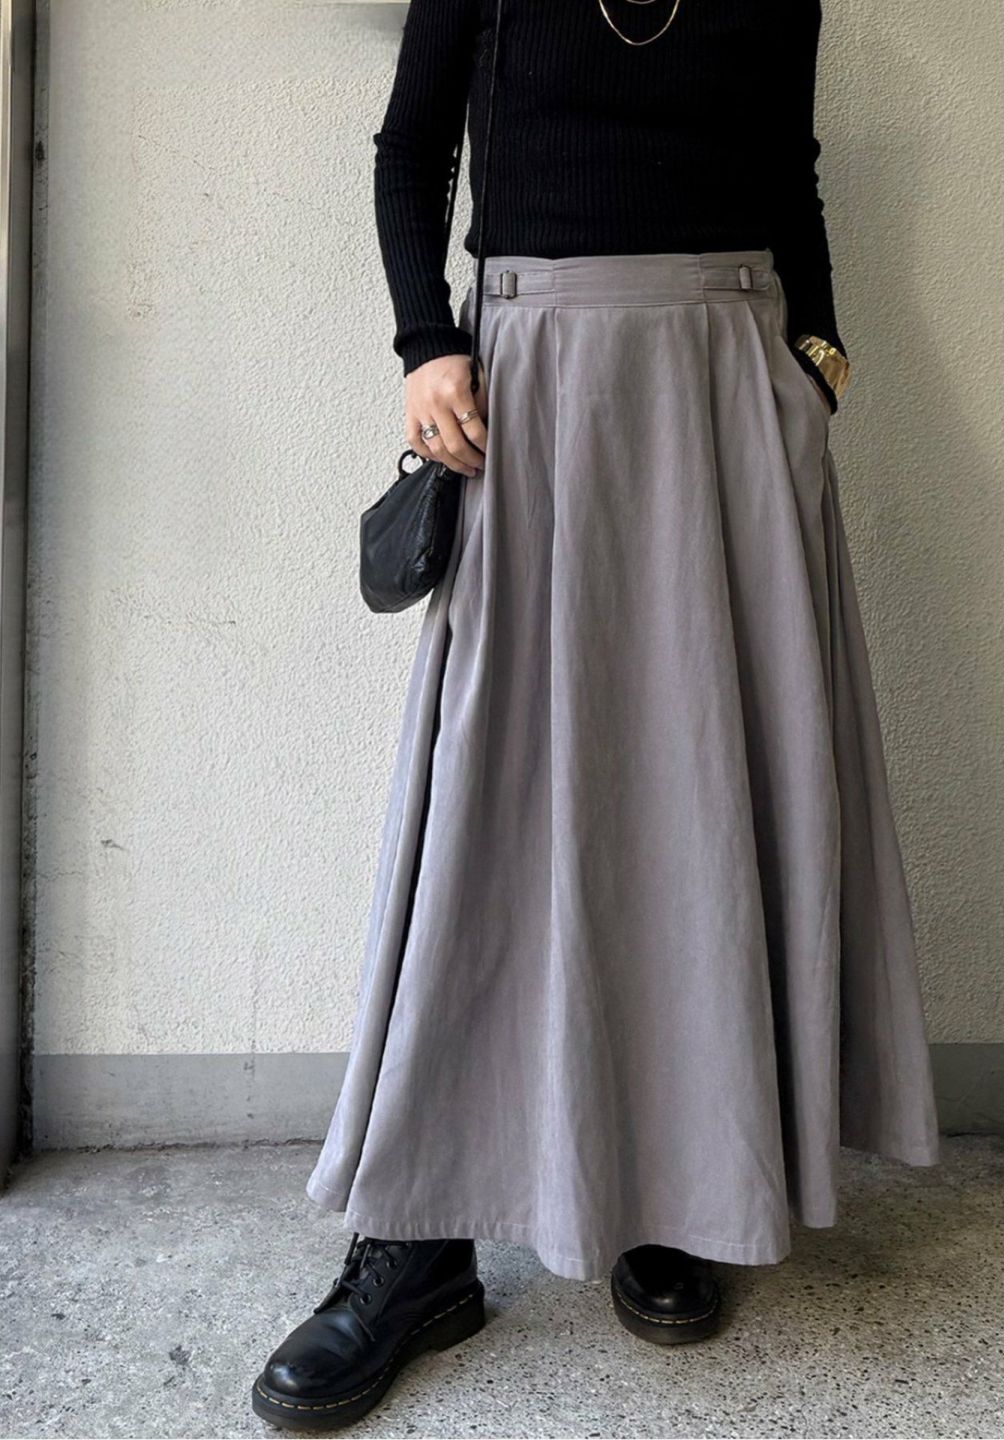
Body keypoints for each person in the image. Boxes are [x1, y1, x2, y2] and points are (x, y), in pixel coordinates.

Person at [252, 0, 941, 1429]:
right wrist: (426, 340)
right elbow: (410, 149)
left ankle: (670, 1190)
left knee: (692, 810)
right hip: (537, 385)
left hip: (729, 393)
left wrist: (816, 363)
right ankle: (418, 1244)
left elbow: (789, 167)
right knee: (491, 814)